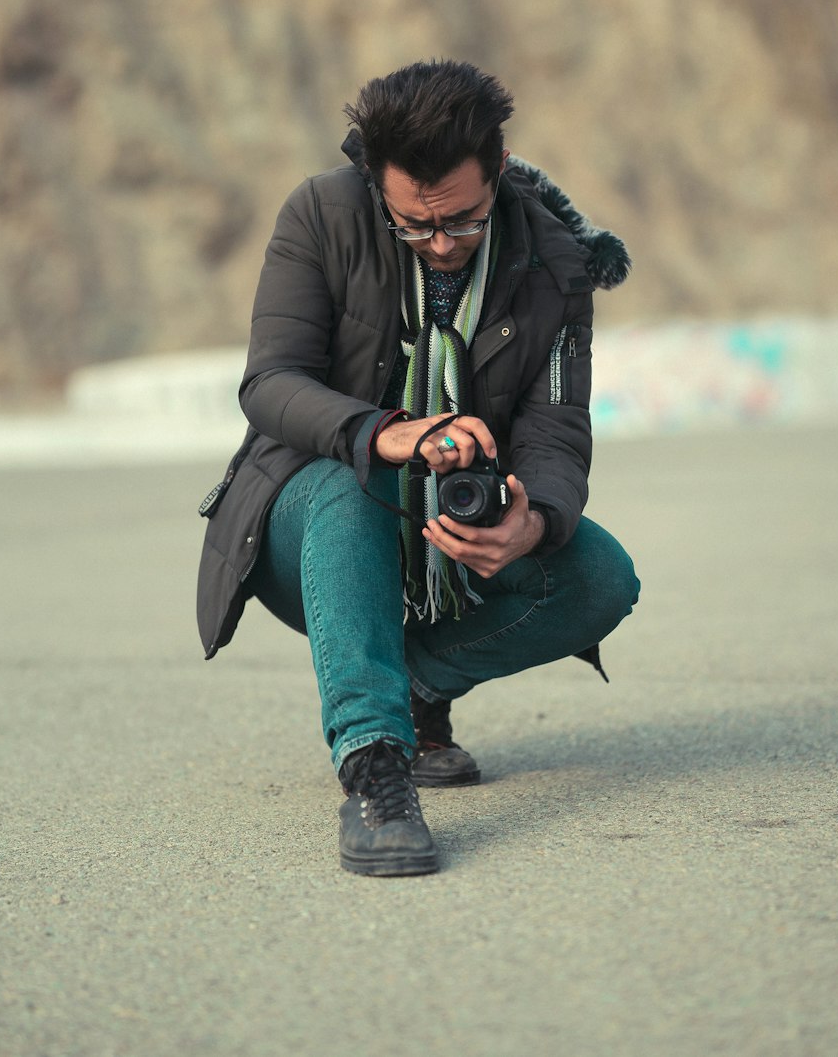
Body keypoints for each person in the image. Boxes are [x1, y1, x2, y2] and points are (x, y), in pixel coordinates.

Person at [196, 60, 639, 877]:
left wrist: (534, 516)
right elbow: (269, 383)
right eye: (414, 225)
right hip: (312, 526)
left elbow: (556, 422)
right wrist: (382, 432)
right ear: (375, 181)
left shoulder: (554, 259)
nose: (440, 245)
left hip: (457, 522)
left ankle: (416, 688)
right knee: (345, 481)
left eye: (463, 222)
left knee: (603, 577)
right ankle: (375, 765)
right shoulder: (320, 214)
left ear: (500, 171)